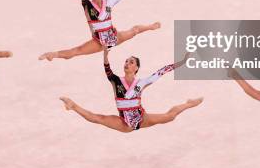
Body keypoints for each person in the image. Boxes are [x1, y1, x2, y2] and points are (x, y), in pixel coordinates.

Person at [59, 47, 203, 132]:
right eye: (126, 61)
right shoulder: (116, 81)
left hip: (142, 119)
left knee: (170, 116)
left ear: (136, 68)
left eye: (131, 62)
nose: (127, 63)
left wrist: (182, 62)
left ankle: (188, 104)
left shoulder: (142, 82)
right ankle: (73, 105)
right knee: (97, 118)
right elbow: (108, 71)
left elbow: (163, 70)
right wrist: (105, 56)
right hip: (124, 123)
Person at [39, 0, 160, 61]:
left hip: (113, 37)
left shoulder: (109, 2)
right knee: (75, 51)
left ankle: (151, 27)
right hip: (99, 41)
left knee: (135, 30)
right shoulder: (87, 5)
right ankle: (52, 54)